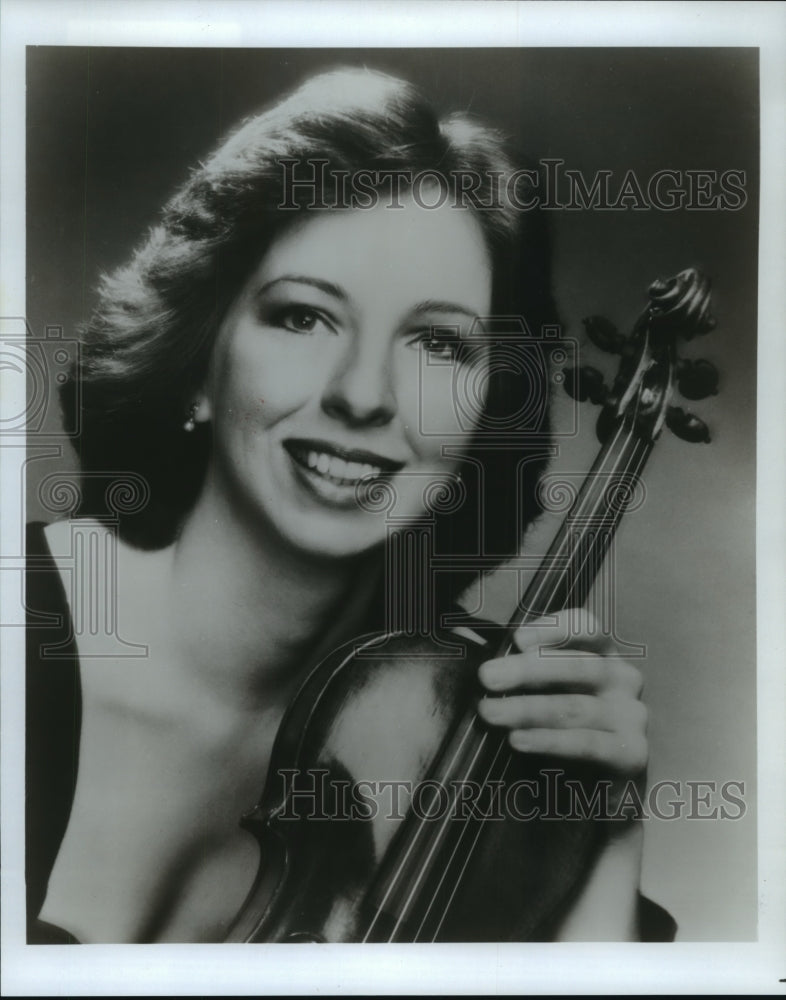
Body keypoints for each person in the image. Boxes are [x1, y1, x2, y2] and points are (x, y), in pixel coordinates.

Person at [25, 67, 670, 944]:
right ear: (196, 358)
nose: (364, 395)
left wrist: (603, 837)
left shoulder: (463, 741)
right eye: (303, 318)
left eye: (438, 343)